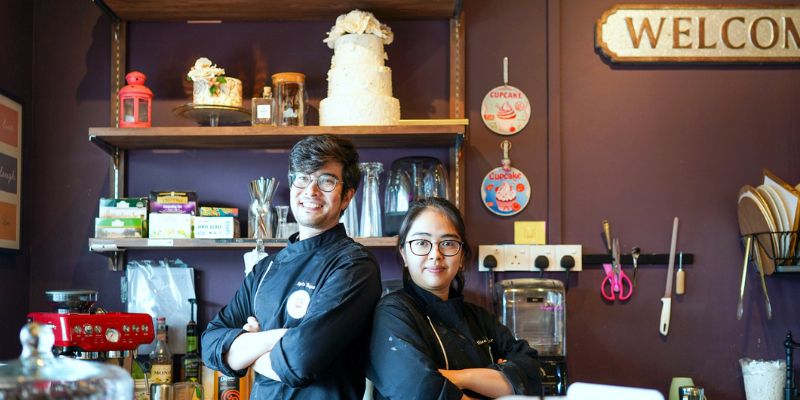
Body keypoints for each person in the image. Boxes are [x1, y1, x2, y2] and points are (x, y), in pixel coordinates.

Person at [201, 135, 382, 399]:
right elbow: (209, 345)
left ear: (346, 197)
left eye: (326, 180)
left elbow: (301, 362)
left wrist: (245, 353)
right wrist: (275, 339)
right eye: (303, 177)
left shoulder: (354, 265)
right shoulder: (265, 269)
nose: (311, 190)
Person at [367, 197, 543, 399]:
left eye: (448, 243)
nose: (436, 254)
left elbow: (532, 375)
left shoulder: (479, 318)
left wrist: (459, 377)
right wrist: (494, 378)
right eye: (422, 243)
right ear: (404, 254)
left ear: (461, 257)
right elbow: (422, 391)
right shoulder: (393, 313)